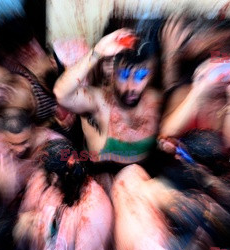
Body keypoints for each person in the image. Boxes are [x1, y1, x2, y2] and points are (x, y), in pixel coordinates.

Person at [53, 27, 163, 167]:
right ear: (113, 74)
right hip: (99, 182)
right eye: (123, 75)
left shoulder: (156, 101)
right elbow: (61, 94)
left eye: (140, 76)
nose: (130, 87)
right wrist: (97, 52)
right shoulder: (100, 101)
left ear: (150, 75)